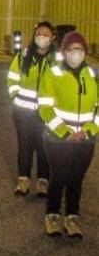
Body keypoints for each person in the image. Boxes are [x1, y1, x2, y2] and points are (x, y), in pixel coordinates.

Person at [38, 31, 97, 239]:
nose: (76, 52)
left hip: (86, 139)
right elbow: (45, 108)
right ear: (64, 51)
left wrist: (88, 131)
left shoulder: (92, 75)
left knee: (76, 179)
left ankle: (72, 217)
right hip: (57, 138)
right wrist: (65, 133)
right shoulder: (52, 73)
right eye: (72, 48)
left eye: (80, 48)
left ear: (85, 52)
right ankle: (52, 215)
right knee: (60, 176)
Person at [7, 22, 55, 196]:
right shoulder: (23, 56)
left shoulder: (58, 60)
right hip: (24, 113)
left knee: (45, 148)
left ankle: (43, 182)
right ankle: (23, 180)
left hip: (47, 114)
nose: (42, 37)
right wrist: (14, 98)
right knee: (25, 147)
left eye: (46, 34)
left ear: (53, 38)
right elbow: (12, 79)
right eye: (39, 34)